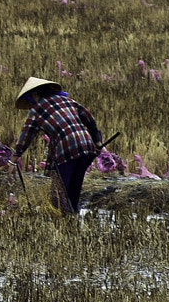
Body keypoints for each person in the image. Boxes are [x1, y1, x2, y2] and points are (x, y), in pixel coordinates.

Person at [12, 76, 103, 215]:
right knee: (73, 190)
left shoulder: (37, 110)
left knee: (58, 194)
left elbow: (26, 136)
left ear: (35, 94)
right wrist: (97, 142)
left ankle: (65, 223)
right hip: (87, 147)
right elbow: (89, 118)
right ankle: (73, 221)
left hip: (67, 149)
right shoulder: (69, 101)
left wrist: (13, 159)